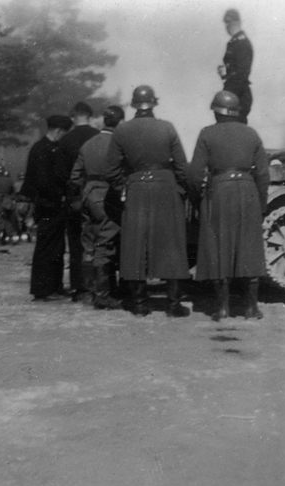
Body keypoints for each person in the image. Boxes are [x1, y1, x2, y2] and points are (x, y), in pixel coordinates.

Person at [106, 85, 191, 317]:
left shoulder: (121, 131)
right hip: (166, 187)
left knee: (135, 245)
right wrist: (180, 190)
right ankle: (173, 305)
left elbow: (111, 170)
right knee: (171, 245)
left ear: (134, 105)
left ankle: (140, 304)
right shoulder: (167, 128)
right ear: (154, 104)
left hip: (136, 188)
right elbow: (182, 166)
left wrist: (123, 188)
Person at [187, 90, 269, 320]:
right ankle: (251, 308)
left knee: (218, 247)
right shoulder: (251, 134)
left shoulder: (207, 134)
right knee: (250, 248)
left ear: (216, 112)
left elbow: (194, 174)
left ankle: (222, 308)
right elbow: (263, 174)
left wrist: (198, 199)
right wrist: (261, 205)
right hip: (248, 191)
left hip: (219, 191)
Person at [69, 105, 126, 310]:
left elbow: (75, 177)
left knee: (89, 244)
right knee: (106, 244)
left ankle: (89, 291)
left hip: (88, 196)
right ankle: (103, 296)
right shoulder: (118, 144)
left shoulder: (88, 144)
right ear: (120, 122)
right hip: (107, 196)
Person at [19, 115, 73, 302]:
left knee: (57, 247)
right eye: (65, 133)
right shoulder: (43, 149)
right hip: (48, 205)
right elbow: (42, 182)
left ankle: (55, 286)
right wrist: (61, 194)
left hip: (53, 204)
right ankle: (41, 290)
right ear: (59, 131)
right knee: (46, 247)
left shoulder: (44, 147)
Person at [56, 102, 100, 302]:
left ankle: (79, 287)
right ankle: (100, 285)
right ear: (89, 116)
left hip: (74, 198)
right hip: (97, 195)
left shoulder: (65, 141)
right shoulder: (98, 136)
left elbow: (60, 174)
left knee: (75, 244)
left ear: (73, 117)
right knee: (99, 242)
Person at [218, 8, 253, 124]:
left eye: (229, 22)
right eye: (226, 23)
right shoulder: (234, 42)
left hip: (238, 95)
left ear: (236, 22)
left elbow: (241, 75)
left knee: (236, 129)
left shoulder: (241, 43)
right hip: (233, 94)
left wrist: (228, 97)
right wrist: (224, 75)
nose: (227, 26)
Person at [0, 164, 17, 245]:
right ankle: (10, 239)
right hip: (7, 202)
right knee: (8, 221)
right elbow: (13, 194)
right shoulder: (10, 180)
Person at [13, 172, 34, 243]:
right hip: (28, 203)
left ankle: (19, 237)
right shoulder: (29, 185)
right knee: (28, 219)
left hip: (18, 203)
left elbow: (13, 194)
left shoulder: (16, 184)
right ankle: (29, 235)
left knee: (19, 221)